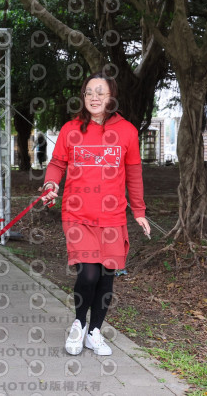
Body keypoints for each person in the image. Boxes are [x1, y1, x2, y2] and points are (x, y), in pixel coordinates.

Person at [41, 72, 150, 356]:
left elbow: (134, 174)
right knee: (88, 274)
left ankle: (95, 332)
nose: (94, 97)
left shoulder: (127, 131)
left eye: (100, 92)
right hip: (77, 214)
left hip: (113, 217)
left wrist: (138, 210)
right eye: (89, 92)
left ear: (112, 97)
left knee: (105, 276)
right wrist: (51, 185)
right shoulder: (71, 129)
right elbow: (57, 164)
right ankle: (79, 324)